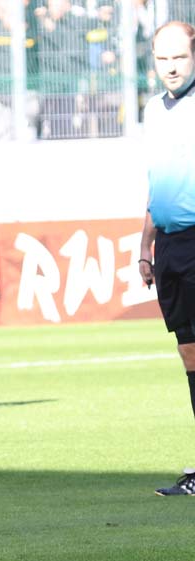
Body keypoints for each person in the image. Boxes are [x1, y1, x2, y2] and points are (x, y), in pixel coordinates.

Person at [138, 21, 195, 497]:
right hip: (170, 246)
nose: (171, 67)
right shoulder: (153, 110)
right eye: (163, 58)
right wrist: (145, 245)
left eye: (179, 57)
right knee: (190, 353)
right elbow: (158, 182)